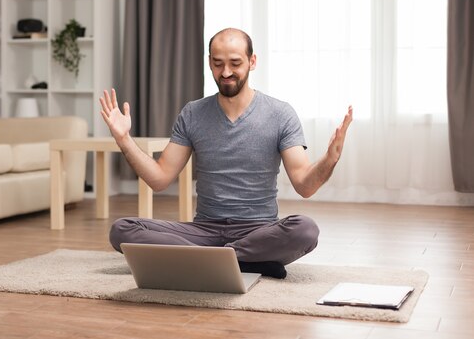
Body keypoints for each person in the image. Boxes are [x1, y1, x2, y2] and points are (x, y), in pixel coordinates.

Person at [99, 28, 353, 279]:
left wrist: (329, 159)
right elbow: (159, 178)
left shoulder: (280, 114)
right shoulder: (193, 113)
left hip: (258, 232)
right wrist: (124, 139)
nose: (226, 72)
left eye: (235, 63)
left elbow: (304, 185)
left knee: (305, 230)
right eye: (218, 64)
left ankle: (205, 260)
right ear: (209, 62)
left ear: (252, 62)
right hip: (204, 230)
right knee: (123, 230)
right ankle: (247, 263)